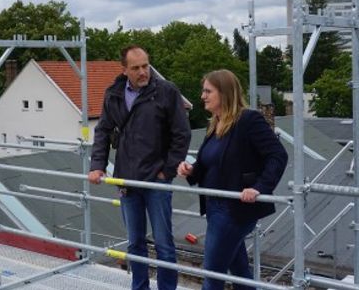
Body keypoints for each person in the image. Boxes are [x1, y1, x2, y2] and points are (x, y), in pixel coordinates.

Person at [89, 45, 191, 290]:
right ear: (124, 70)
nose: (143, 72)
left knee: (164, 244)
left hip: (156, 180)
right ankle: (140, 287)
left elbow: (182, 134)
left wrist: (166, 171)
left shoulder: (166, 92)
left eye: (146, 65)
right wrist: (97, 166)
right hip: (127, 180)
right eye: (136, 68)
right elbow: (102, 130)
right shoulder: (113, 94)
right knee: (135, 243)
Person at [177, 69, 288, 290]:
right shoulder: (216, 123)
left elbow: (278, 155)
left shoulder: (248, 120)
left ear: (225, 93)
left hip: (235, 210)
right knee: (239, 272)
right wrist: (191, 170)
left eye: (208, 91)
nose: (202, 96)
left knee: (212, 274)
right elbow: (210, 163)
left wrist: (260, 187)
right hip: (214, 206)